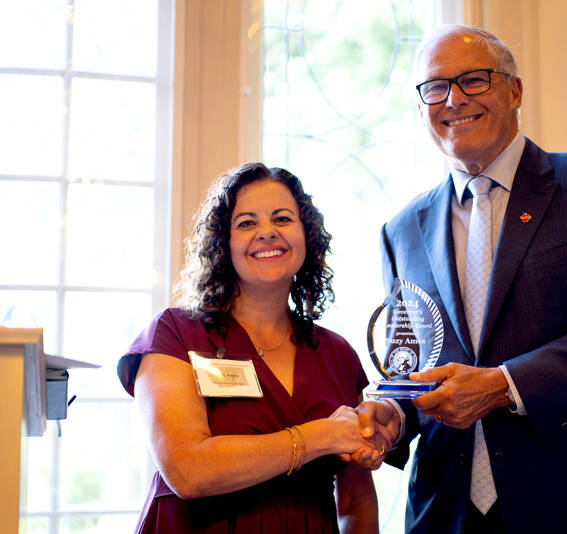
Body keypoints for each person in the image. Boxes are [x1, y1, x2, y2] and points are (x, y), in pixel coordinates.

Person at [358, 24, 567, 533]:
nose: (454, 99)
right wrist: (391, 417)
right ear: (421, 109)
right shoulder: (401, 231)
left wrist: (504, 386)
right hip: (446, 508)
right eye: (435, 87)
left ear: (514, 90)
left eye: (474, 80)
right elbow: (414, 364)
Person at [117, 163, 392, 533]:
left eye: (282, 218)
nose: (267, 233)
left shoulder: (337, 353)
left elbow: (356, 500)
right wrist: (321, 436)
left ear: (306, 236)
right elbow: (187, 470)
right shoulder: (175, 334)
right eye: (246, 223)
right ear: (222, 244)